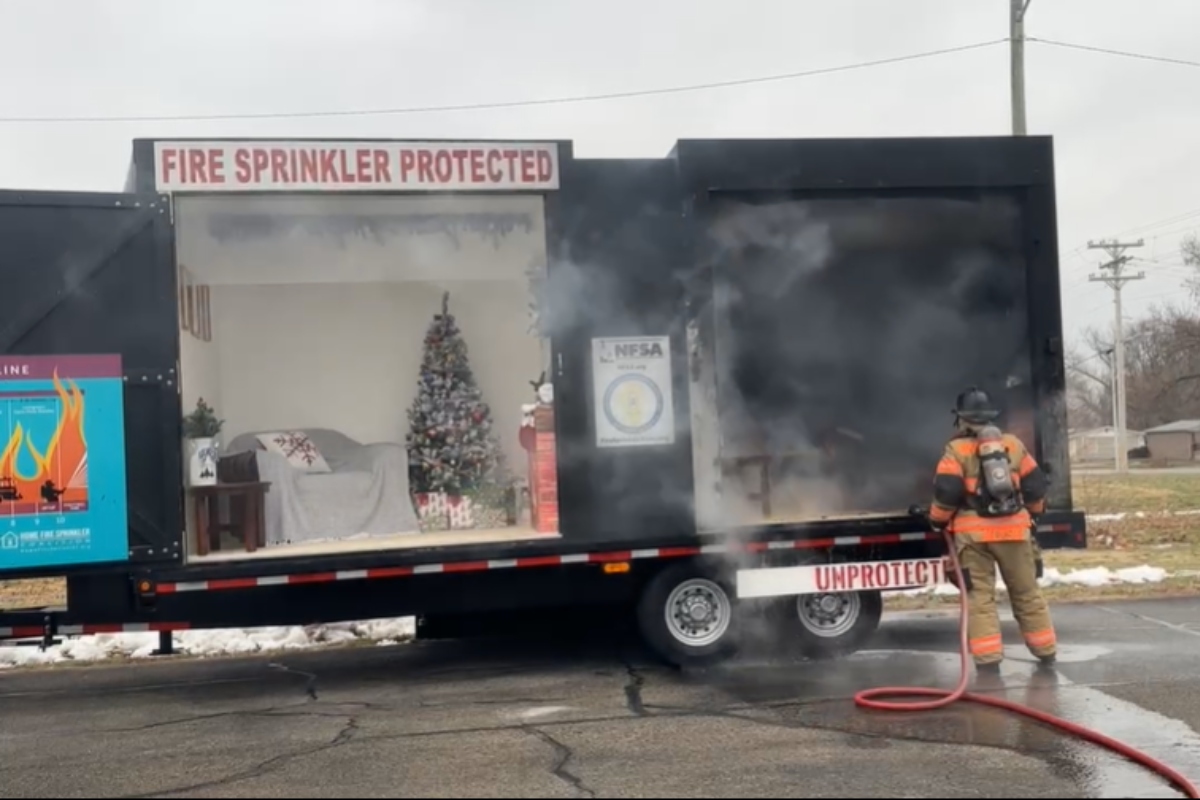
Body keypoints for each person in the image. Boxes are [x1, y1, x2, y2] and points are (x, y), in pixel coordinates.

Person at [927, 386, 1056, 673]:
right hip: (1014, 533)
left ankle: (988, 661)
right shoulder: (1014, 445)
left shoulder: (956, 450)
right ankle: (1045, 650)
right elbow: (1035, 487)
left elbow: (947, 491)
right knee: (1027, 592)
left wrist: (936, 520)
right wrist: (1033, 515)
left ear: (961, 418)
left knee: (980, 599)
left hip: (974, 538)